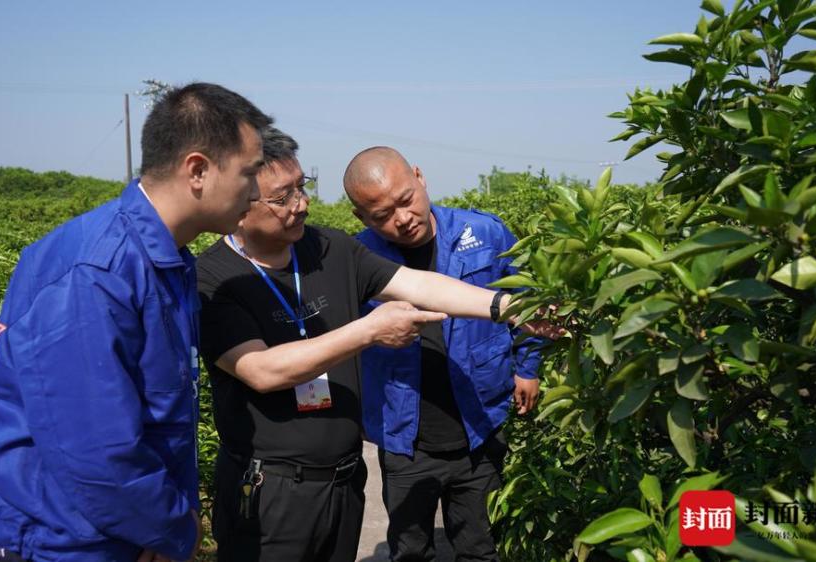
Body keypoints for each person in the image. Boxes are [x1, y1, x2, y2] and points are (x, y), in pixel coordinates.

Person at [196, 129, 563, 562]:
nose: (301, 203)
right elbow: (261, 370)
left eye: (302, 187)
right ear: (237, 204)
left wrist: (509, 306)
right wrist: (370, 330)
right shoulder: (211, 279)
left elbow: (420, 285)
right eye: (283, 197)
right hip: (270, 488)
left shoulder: (328, 247)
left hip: (344, 478)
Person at [0, 82, 272, 562]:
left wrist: (156, 526)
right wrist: (172, 528)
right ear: (198, 170)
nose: (255, 192)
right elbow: (97, 452)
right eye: (249, 173)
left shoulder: (163, 259)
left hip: (120, 533)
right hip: (62, 544)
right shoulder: (98, 271)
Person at [344, 146, 543, 561]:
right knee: (411, 549)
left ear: (419, 177)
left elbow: (528, 300)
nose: (402, 218)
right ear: (362, 217)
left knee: (478, 545)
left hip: (478, 420)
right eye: (382, 215)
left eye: (406, 199)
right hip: (405, 436)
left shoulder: (484, 233)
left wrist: (528, 368)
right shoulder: (358, 259)